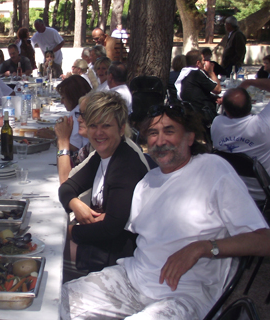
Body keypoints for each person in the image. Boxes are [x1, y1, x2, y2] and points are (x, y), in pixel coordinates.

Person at [61, 103, 270, 320]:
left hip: (184, 297)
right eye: (153, 133)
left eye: (169, 131)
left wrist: (205, 247)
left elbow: (264, 241)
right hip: (131, 280)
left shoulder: (213, 169)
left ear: (190, 137)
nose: (160, 140)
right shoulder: (149, 181)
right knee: (57, 303)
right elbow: (127, 224)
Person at [59, 91, 150, 272]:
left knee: (47, 250)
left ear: (121, 128)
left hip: (117, 254)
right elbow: (67, 187)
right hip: (100, 241)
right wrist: (76, 204)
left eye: (106, 126)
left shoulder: (125, 163)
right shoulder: (102, 155)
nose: (98, 133)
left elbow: (110, 228)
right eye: (93, 125)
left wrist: (66, 233)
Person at [212, 83, 270, 204]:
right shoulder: (262, 125)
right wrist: (250, 82)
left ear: (226, 110)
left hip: (231, 188)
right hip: (263, 191)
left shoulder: (217, 124)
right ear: (251, 105)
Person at [175, 50, 221, 123]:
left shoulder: (184, 73)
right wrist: (211, 72)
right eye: (203, 60)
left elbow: (197, 92)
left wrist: (213, 97)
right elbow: (218, 90)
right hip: (203, 114)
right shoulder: (196, 74)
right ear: (198, 63)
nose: (204, 63)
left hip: (189, 112)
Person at [56, 75, 92, 151]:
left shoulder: (77, 113)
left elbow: (74, 146)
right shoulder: (88, 106)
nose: (61, 102)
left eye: (63, 97)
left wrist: (55, 139)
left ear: (72, 97)